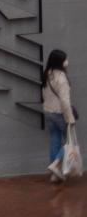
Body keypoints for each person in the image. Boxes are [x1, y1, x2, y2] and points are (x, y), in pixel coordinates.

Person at [42, 49, 77, 182]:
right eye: (65, 59)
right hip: (60, 113)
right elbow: (64, 101)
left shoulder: (47, 74)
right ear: (60, 62)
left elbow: (44, 94)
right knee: (70, 142)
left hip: (49, 112)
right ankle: (56, 165)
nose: (67, 61)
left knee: (55, 140)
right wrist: (70, 118)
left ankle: (54, 175)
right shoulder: (61, 77)